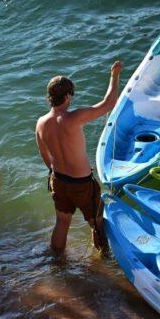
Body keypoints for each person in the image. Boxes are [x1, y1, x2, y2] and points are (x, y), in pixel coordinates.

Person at [36, 61, 123, 252]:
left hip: (58, 180)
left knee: (62, 222)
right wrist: (114, 75)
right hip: (82, 184)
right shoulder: (74, 117)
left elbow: (44, 153)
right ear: (67, 96)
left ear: (49, 97)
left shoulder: (41, 123)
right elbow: (109, 103)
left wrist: (52, 172)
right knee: (96, 221)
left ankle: (57, 262)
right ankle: (103, 260)